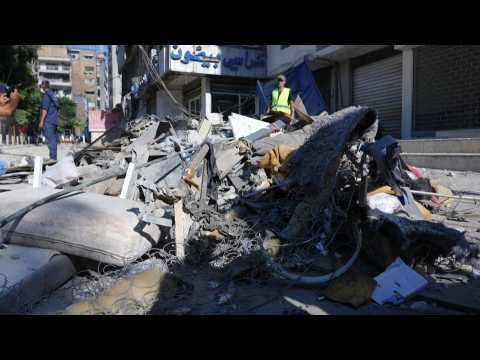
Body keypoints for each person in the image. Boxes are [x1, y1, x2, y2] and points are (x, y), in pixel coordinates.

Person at [38, 80, 59, 160]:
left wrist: (41, 121)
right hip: (54, 121)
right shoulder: (53, 95)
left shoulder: (46, 96)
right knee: (53, 140)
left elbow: (45, 110)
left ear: (43, 87)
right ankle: (54, 157)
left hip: (48, 121)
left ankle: (53, 159)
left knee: (50, 141)